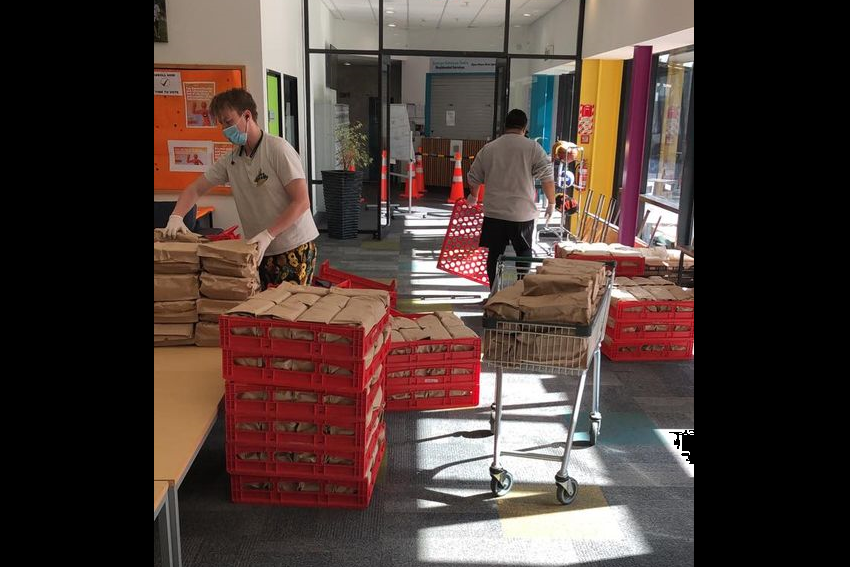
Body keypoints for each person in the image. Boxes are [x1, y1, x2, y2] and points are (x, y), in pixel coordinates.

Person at [164, 88, 319, 289]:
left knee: (288, 311)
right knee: (264, 309)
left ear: (247, 116)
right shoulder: (232, 160)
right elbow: (196, 188)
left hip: (293, 245)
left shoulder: (277, 149)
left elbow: (302, 201)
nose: (225, 130)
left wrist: (268, 234)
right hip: (258, 250)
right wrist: (176, 216)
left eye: (228, 122)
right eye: (222, 124)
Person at [467, 109, 556, 287]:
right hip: (521, 214)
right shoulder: (533, 148)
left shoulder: (489, 148)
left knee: (495, 254)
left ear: (505, 126)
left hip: (494, 212)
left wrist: (474, 196)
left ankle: (493, 292)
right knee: (523, 251)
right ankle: (520, 289)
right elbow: (547, 178)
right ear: (524, 127)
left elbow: (474, 177)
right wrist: (552, 203)